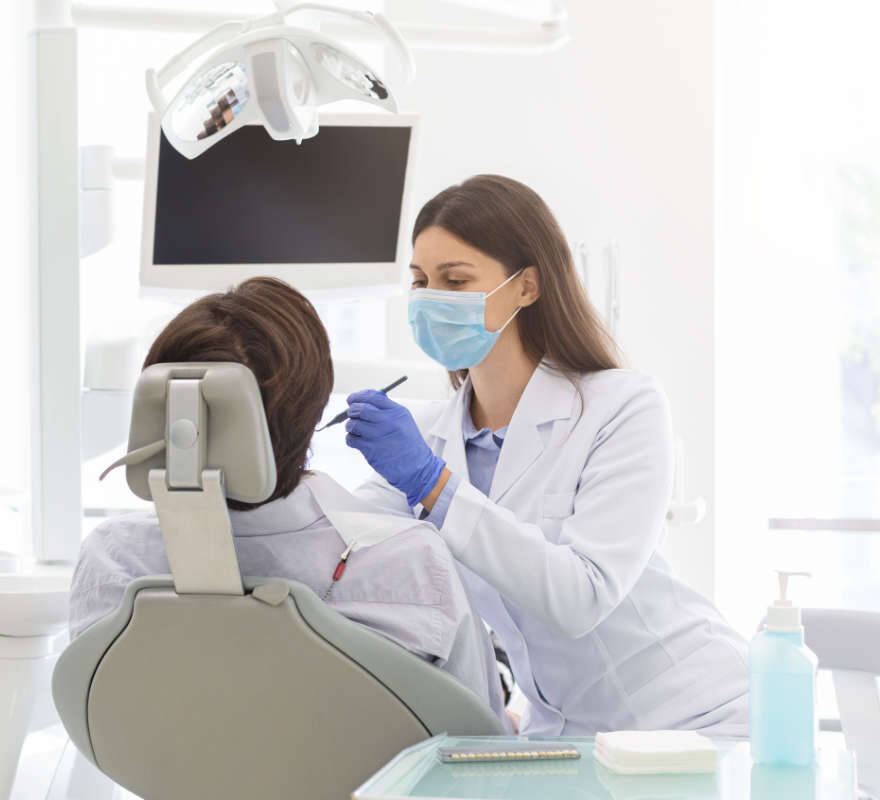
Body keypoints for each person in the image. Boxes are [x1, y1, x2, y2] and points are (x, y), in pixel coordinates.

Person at [347, 175, 749, 737]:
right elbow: (340, 543)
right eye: (420, 281)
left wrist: (435, 488)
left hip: (693, 718)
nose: (431, 299)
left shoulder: (621, 406)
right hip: (566, 731)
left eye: (455, 280)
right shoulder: (429, 438)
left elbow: (582, 597)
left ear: (527, 287)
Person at [70, 276, 510, 724]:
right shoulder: (410, 562)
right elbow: (479, 743)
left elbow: (99, 727)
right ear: (314, 410)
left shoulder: (114, 559)